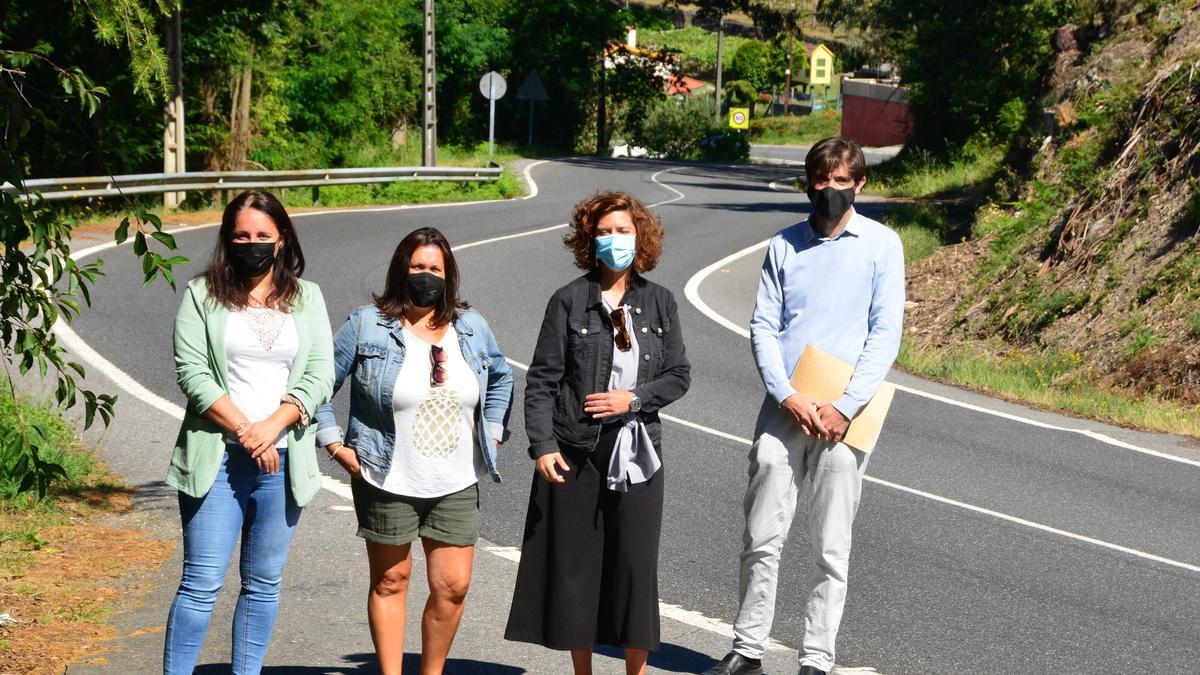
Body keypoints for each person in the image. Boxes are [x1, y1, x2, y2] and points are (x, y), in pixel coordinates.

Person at [704, 137, 905, 675]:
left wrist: (846, 404)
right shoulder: (784, 244)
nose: (832, 190)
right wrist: (786, 395)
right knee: (761, 530)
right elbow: (764, 326)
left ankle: (816, 658)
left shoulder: (882, 246)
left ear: (859, 184)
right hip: (786, 403)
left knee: (830, 542)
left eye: (843, 181)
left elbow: (885, 334)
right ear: (809, 182)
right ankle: (748, 649)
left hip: (848, 413)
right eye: (823, 179)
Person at [505, 191, 691, 675]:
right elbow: (542, 380)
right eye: (604, 232)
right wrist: (542, 445)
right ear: (590, 240)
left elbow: (678, 375)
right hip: (576, 449)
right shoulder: (568, 301)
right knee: (576, 569)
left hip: (638, 451)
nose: (614, 240)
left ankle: (636, 672)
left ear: (640, 237)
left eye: (622, 231)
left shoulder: (660, 302)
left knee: (634, 568)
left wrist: (634, 398)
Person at [313, 227, 513, 675]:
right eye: (418, 266)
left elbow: (500, 377)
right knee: (391, 580)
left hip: (455, 479)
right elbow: (318, 383)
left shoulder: (471, 325)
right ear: (401, 270)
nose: (426, 275)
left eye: (435, 268)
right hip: (386, 475)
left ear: (449, 275)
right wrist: (333, 444)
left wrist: (494, 429)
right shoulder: (367, 324)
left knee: (454, 587)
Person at [164, 190, 334, 674]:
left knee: (263, 586)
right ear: (227, 239)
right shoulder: (201, 294)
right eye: (242, 235)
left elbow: (320, 372)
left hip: (283, 462)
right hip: (216, 458)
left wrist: (274, 425)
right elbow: (192, 374)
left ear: (281, 240)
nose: (252, 243)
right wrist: (246, 431)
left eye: (262, 235)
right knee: (201, 584)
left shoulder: (308, 297)